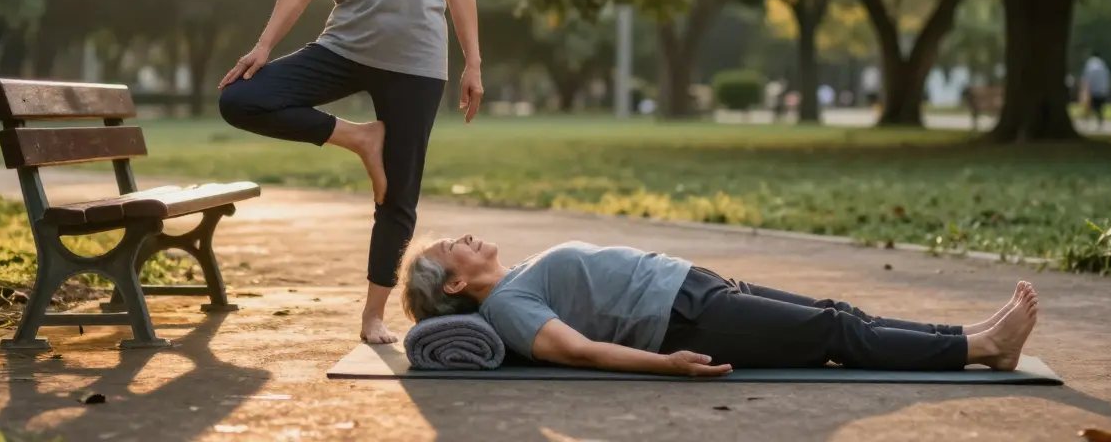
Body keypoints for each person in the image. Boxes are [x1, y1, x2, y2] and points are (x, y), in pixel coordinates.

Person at [216, 0, 483, 345]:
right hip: (345, 45)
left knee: (398, 195)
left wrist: (473, 63)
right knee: (240, 98)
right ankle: (360, 138)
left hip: (417, 58)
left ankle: (373, 315)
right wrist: (263, 45)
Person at [400, 235, 1040, 377]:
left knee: (835, 311)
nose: (467, 238)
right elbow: (577, 350)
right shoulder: (508, 305)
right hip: (685, 320)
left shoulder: (517, 276)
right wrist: (668, 366)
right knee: (833, 332)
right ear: (455, 285)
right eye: (454, 247)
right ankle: (982, 349)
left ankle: (976, 334)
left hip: (695, 288)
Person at [1081, 51, 1111, 130]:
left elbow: (1086, 78)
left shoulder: (1090, 64)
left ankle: (1086, 123)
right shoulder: (1103, 65)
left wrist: (1084, 90)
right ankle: (1100, 123)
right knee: (1099, 108)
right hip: (1102, 90)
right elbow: (1107, 78)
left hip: (1092, 89)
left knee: (1089, 107)